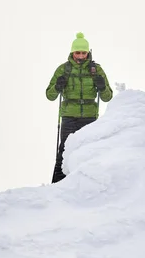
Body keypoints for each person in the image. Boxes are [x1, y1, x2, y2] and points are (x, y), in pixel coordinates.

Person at [46, 32, 113, 183]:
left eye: (83, 52)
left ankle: (82, 186)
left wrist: (102, 87)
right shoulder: (63, 70)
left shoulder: (96, 70)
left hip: (89, 117)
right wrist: (58, 86)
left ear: (88, 52)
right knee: (64, 152)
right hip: (69, 116)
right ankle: (57, 186)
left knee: (87, 151)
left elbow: (107, 97)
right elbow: (50, 95)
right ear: (72, 52)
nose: (81, 56)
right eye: (78, 52)